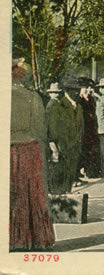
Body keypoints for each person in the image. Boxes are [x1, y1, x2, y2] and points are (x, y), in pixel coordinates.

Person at [10, 58, 55, 250]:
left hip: (9, 150)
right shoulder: (32, 97)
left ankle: (13, 239)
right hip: (30, 148)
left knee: (11, 193)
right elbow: (39, 128)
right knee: (33, 193)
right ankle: (36, 239)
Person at [46, 79, 84, 195]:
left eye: (78, 90)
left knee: (69, 179)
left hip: (74, 150)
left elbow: (81, 129)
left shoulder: (79, 107)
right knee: (59, 182)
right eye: (73, 90)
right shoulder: (57, 106)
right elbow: (51, 131)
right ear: (66, 91)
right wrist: (55, 150)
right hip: (62, 150)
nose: (76, 93)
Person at [77, 76, 101, 180]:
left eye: (90, 87)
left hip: (91, 129)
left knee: (91, 150)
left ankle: (90, 171)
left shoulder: (91, 99)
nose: (89, 90)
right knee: (83, 150)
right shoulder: (79, 100)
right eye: (86, 87)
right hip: (83, 129)